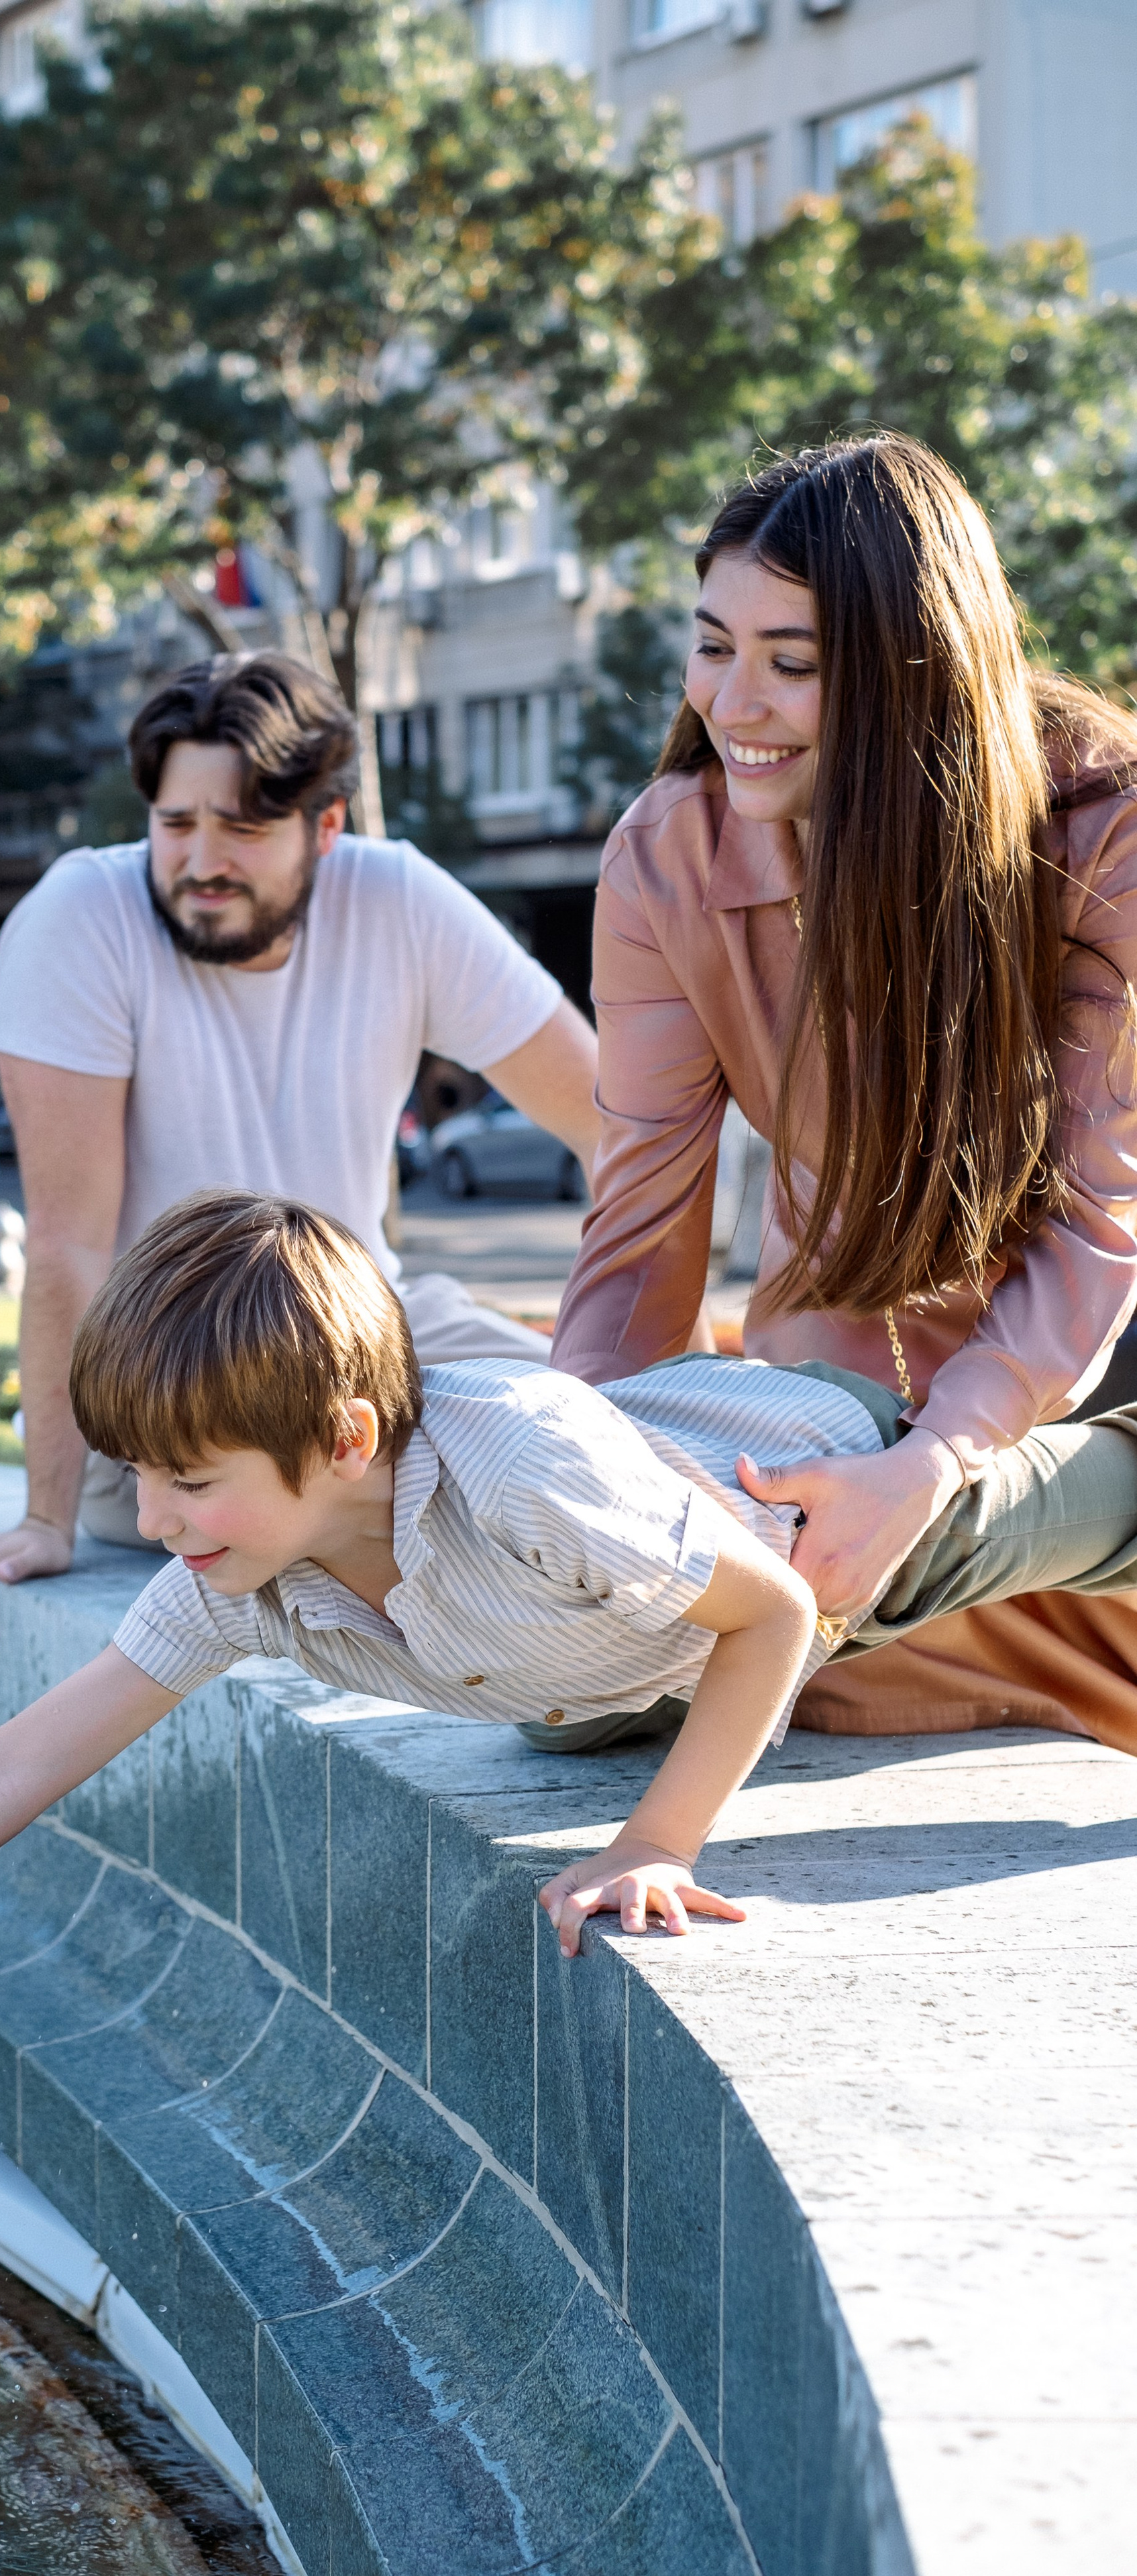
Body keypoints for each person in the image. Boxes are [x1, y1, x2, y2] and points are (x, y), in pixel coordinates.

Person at [0, 1189, 1137, 2098]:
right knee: (561, 1715)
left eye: (189, 1479)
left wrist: (656, 1840)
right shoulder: (255, 1562)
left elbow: (776, 1610)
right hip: (591, 1639)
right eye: (140, 1476)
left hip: (805, 1491)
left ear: (347, 1433)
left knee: (1038, 1511)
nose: (152, 1519)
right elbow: (7, 1765)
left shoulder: (509, 1468)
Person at [552, 433, 1137, 1750]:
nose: (730, 703)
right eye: (711, 645)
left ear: (910, 675)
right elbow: (636, 1227)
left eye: (791, 664)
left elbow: (1099, 1228)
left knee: (884, 1557)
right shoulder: (663, 858)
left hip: (1092, 1371)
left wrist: (933, 1465)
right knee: (572, 1697)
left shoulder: (1102, 838)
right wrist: (557, 1490)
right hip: (850, 1359)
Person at [0, 650, 600, 1639]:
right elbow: (68, 1244)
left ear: (325, 827)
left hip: (373, 1346)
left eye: (242, 829)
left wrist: (625, 1346)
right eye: (176, 823)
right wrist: (46, 1518)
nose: (202, 862)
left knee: (605, 1440)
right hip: (166, 1392)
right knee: (435, 1506)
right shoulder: (80, 920)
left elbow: (620, 1129)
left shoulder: (399, 899)